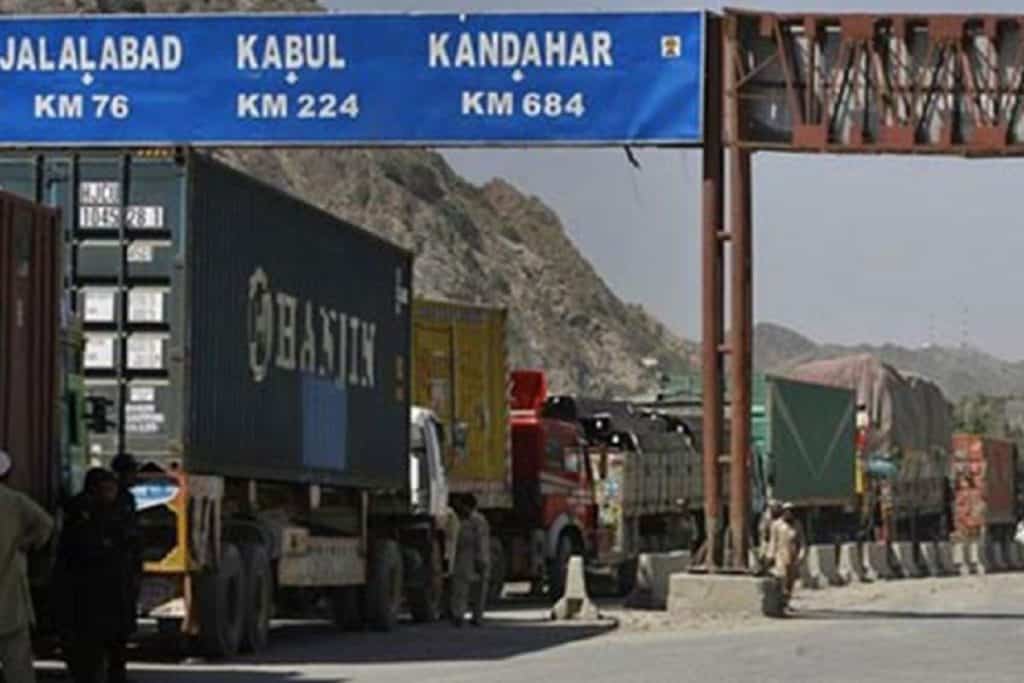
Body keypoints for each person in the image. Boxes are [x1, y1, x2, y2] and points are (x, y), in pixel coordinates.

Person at [54, 468, 136, 683]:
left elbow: (129, 544)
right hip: (88, 594)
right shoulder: (83, 513)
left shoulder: (118, 510)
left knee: (115, 644)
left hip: (113, 590)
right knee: (90, 647)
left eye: (112, 489)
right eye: (106, 489)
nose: (111, 494)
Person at [0, 449, 55, 683]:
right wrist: (27, 543)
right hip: (10, 597)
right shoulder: (15, 501)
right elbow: (47, 524)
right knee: (17, 664)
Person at [449, 495, 490, 627]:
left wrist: (480, 559)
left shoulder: (477, 520)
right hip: (464, 556)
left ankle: (477, 616)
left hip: (474, 556)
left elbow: (481, 541)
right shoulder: (462, 520)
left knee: (478, 590)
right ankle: (459, 614)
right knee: (460, 587)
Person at [767, 502, 806, 609]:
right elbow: (773, 542)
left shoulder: (797, 525)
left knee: (790, 582)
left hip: (793, 557)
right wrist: (770, 555)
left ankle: (786, 603)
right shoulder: (776, 525)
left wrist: (801, 555)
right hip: (781, 556)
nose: (789, 513)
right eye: (787, 511)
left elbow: (802, 542)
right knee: (782, 578)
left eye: (791, 511)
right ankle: (780, 601)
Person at [465, 494, 491, 626]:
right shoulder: (481, 519)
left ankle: (477, 616)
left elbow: (479, 539)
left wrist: (478, 557)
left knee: (477, 588)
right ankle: (477, 615)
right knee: (480, 589)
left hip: (479, 557)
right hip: (483, 556)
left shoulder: (474, 520)